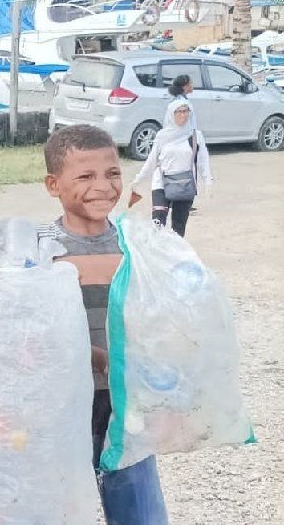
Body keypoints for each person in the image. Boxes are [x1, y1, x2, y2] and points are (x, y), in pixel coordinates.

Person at [39, 125, 169, 525]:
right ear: (53, 184)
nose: (103, 186)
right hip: (62, 405)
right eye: (85, 176)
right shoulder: (38, 249)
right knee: (57, 509)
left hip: (125, 403)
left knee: (139, 510)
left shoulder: (137, 245)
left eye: (112, 174)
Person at [130, 98, 213, 236]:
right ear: (171, 114)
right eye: (179, 112)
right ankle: (156, 254)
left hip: (184, 184)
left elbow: (203, 160)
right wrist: (138, 180)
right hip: (161, 183)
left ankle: (174, 255)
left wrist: (208, 180)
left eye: (186, 111)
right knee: (158, 223)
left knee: (178, 228)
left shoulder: (195, 135)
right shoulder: (162, 136)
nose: (183, 115)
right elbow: (151, 162)